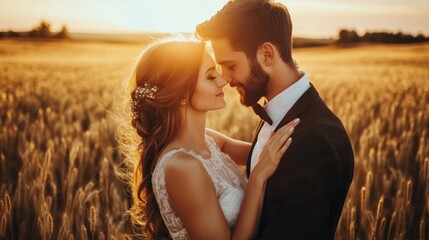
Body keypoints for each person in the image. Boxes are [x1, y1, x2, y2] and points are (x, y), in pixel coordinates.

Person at [196, 0, 354, 239]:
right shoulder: (281, 111)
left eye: (230, 65)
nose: (225, 79)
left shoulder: (314, 142)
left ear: (267, 54)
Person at [118, 36, 300, 239]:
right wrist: (257, 178)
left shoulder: (210, 141)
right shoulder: (182, 167)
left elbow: (269, 153)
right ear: (182, 96)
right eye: (210, 76)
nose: (223, 80)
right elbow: (263, 163)